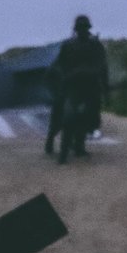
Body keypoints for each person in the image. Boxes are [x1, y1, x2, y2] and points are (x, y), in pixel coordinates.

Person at [48, 14, 109, 164]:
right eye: (80, 28)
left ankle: (79, 145)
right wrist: (64, 78)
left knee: (90, 116)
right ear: (76, 29)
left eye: (84, 28)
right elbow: (59, 65)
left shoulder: (96, 46)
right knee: (65, 114)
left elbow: (102, 67)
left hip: (90, 86)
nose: (82, 31)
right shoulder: (68, 46)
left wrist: (104, 86)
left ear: (88, 29)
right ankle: (57, 145)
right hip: (72, 86)